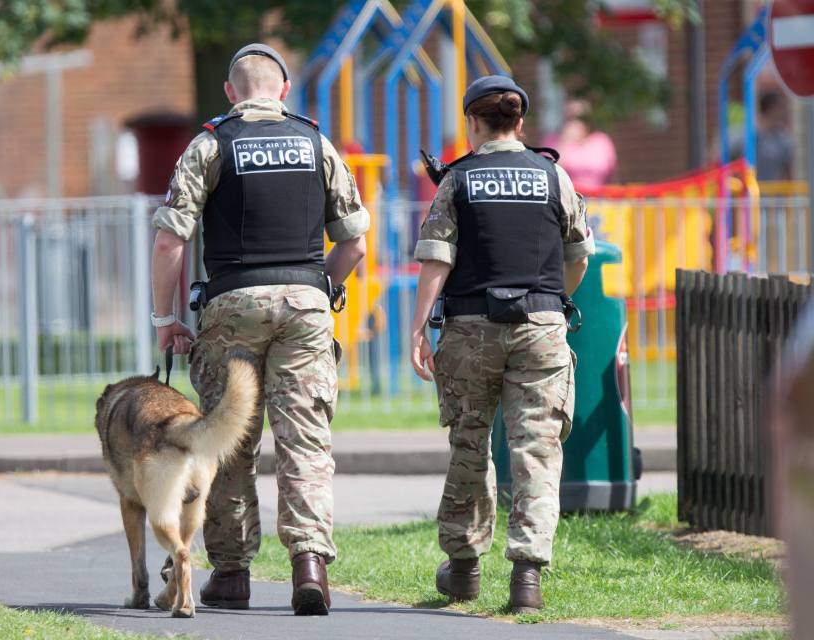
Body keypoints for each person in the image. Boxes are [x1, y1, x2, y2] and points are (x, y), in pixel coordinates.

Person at [150, 43, 368, 616]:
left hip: (232, 303)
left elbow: (171, 238)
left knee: (228, 439)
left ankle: (231, 573)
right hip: (305, 304)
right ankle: (310, 566)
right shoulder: (317, 143)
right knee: (305, 439)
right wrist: (324, 287)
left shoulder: (210, 144)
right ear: (284, 91)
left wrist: (164, 319)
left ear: (230, 92)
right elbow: (354, 242)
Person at [410, 76, 594, 614]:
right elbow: (579, 255)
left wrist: (420, 328)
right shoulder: (552, 174)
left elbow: (437, 261)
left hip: (470, 329)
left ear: (473, 122)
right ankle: (527, 578)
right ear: (520, 122)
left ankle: (464, 569)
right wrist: (550, 303)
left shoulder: (458, 180)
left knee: (470, 442)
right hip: (541, 328)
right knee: (536, 447)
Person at [542, 98, 616, 189]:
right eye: (571, 118)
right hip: (567, 199)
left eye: (580, 118)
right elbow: (548, 175)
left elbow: (612, 175)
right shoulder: (552, 141)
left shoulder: (601, 141)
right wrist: (565, 142)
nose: (576, 122)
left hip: (598, 199)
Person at [755, 91, 794, 181]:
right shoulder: (746, 135)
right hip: (749, 193)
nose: (785, 110)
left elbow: (788, 172)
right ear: (771, 109)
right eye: (781, 107)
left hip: (774, 193)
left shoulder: (783, 139)